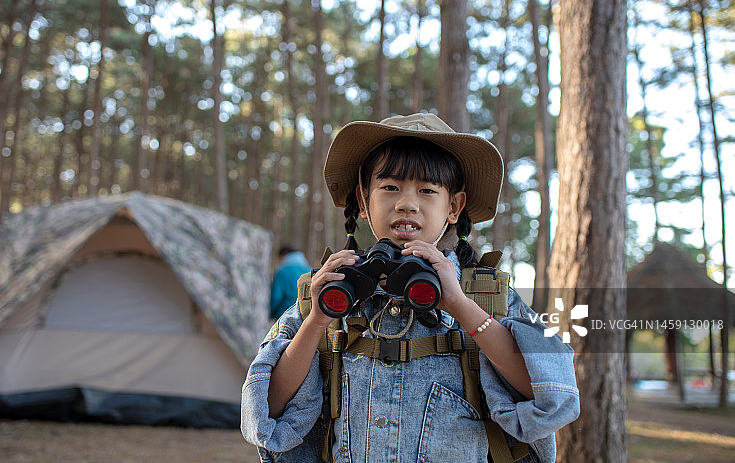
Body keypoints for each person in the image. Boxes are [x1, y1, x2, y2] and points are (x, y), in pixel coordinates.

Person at [242, 113, 579, 462]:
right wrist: (316, 321)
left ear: (453, 207)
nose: (407, 203)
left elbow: (549, 396)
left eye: (427, 190)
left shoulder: (486, 297)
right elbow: (270, 410)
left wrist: (460, 305)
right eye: (390, 187)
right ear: (363, 201)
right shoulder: (328, 291)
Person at [270, 246, 311, 320]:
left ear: (284, 255)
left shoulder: (282, 271)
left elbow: (276, 297)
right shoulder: (309, 270)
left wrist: (270, 313)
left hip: (285, 315)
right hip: (306, 316)